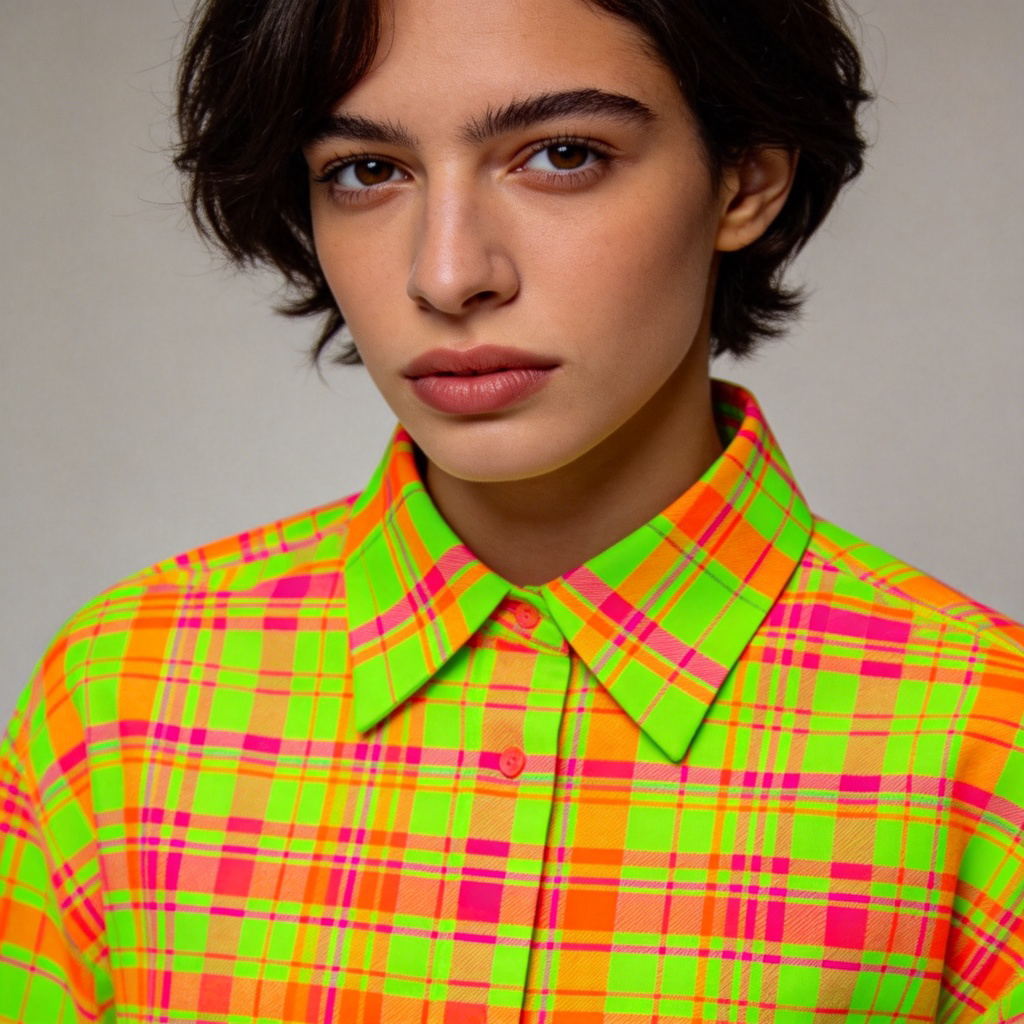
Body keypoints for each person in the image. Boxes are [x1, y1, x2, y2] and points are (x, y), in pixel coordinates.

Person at [1, 0, 1021, 1020]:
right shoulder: (121, 698)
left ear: (746, 178)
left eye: (563, 155)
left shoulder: (984, 742)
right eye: (365, 170)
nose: (447, 275)